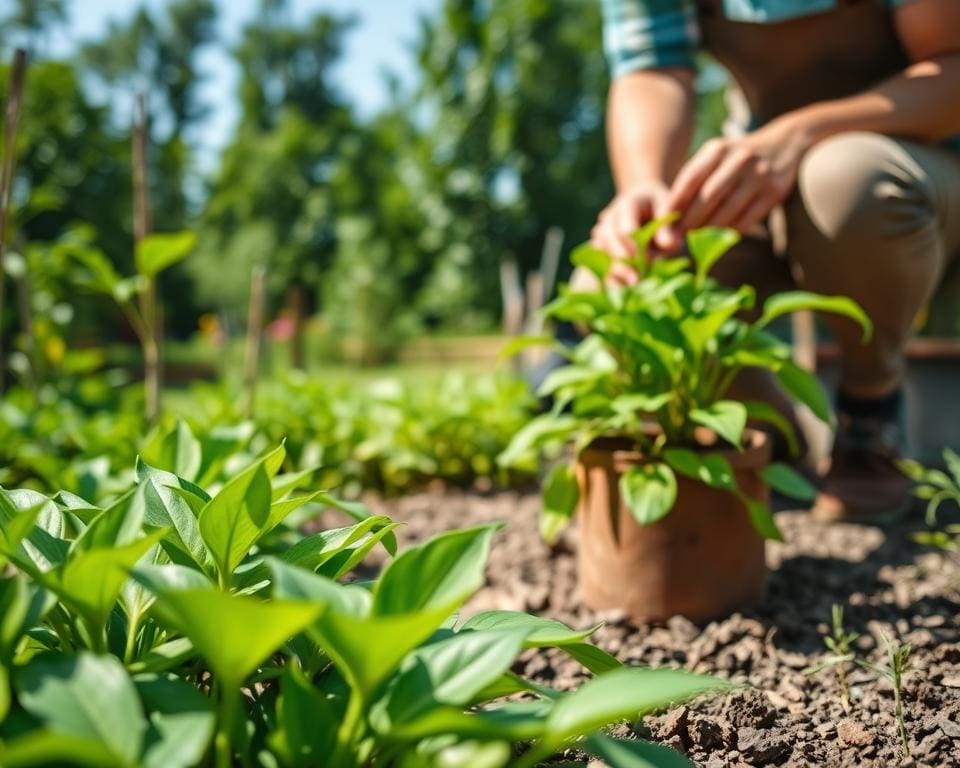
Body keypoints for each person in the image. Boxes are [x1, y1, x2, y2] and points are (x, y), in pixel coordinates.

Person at [588, 0, 960, 522]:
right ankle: (776, 446)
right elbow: (651, 63)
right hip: (764, 170)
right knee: (618, 275)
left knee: (845, 181)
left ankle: (870, 415)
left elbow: (952, 67)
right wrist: (644, 187)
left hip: (921, 168)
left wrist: (800, 133)